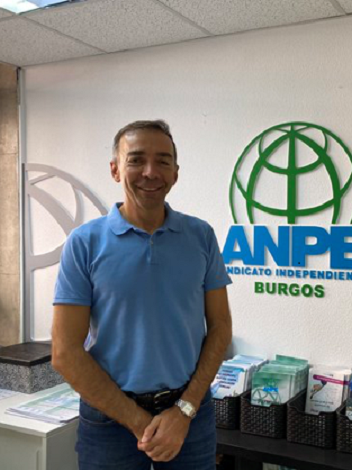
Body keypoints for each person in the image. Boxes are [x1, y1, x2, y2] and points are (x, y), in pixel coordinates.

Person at [52, 120, 232, 470]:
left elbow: (221, 327)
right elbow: (64, 352)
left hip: (190, 414)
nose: (150, 172)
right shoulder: (84, 243)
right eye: (136, 160)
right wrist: (141, 423)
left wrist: (183, 412)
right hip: (109, 419)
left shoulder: (200, 236)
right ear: (115, 169)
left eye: (163, 161)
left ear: (175, 173)